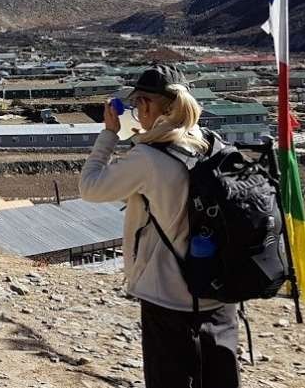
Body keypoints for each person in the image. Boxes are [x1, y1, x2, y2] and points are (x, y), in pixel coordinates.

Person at [79, 65, 240, 388]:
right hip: (220, 294)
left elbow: (90, 187)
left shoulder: (149, 159)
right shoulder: (214, 145)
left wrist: (109, 134)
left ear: (147, 105)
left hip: (167, 298)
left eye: (137, 104)